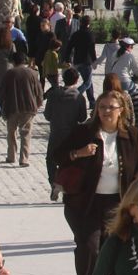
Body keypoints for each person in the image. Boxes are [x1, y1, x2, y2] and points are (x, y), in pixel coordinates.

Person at [55, 91, 138, 275]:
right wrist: (79, 153)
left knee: (114, 249)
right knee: (89, 247)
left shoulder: (131, 135)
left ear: (120, 110)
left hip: (118, 203)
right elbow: (57, 155)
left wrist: (136, 187)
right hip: (86, 203)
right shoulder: (84, 132)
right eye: (101, 107)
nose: (105, 111)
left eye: (110, 107)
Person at [43, 66, 89, 200]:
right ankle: (66, 185)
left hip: (56, 132)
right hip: (71, 134)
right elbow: (82, 118)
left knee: (51, 159)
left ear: (63, 79)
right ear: (77, 80)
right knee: (69, 160)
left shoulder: (53, 94)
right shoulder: (79, 97)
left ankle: (54, 182)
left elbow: (47, 115)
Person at [0, 52, 44, 167]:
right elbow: (39, 91)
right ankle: (24, 158)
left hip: (12, 106)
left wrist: (0, 104)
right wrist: (38, 103)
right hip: (28, 107)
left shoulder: (9, 74)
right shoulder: (32, 73)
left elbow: (0, 92)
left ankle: (11, 155)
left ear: (13, 62)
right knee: (26, 133)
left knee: (11, 132)